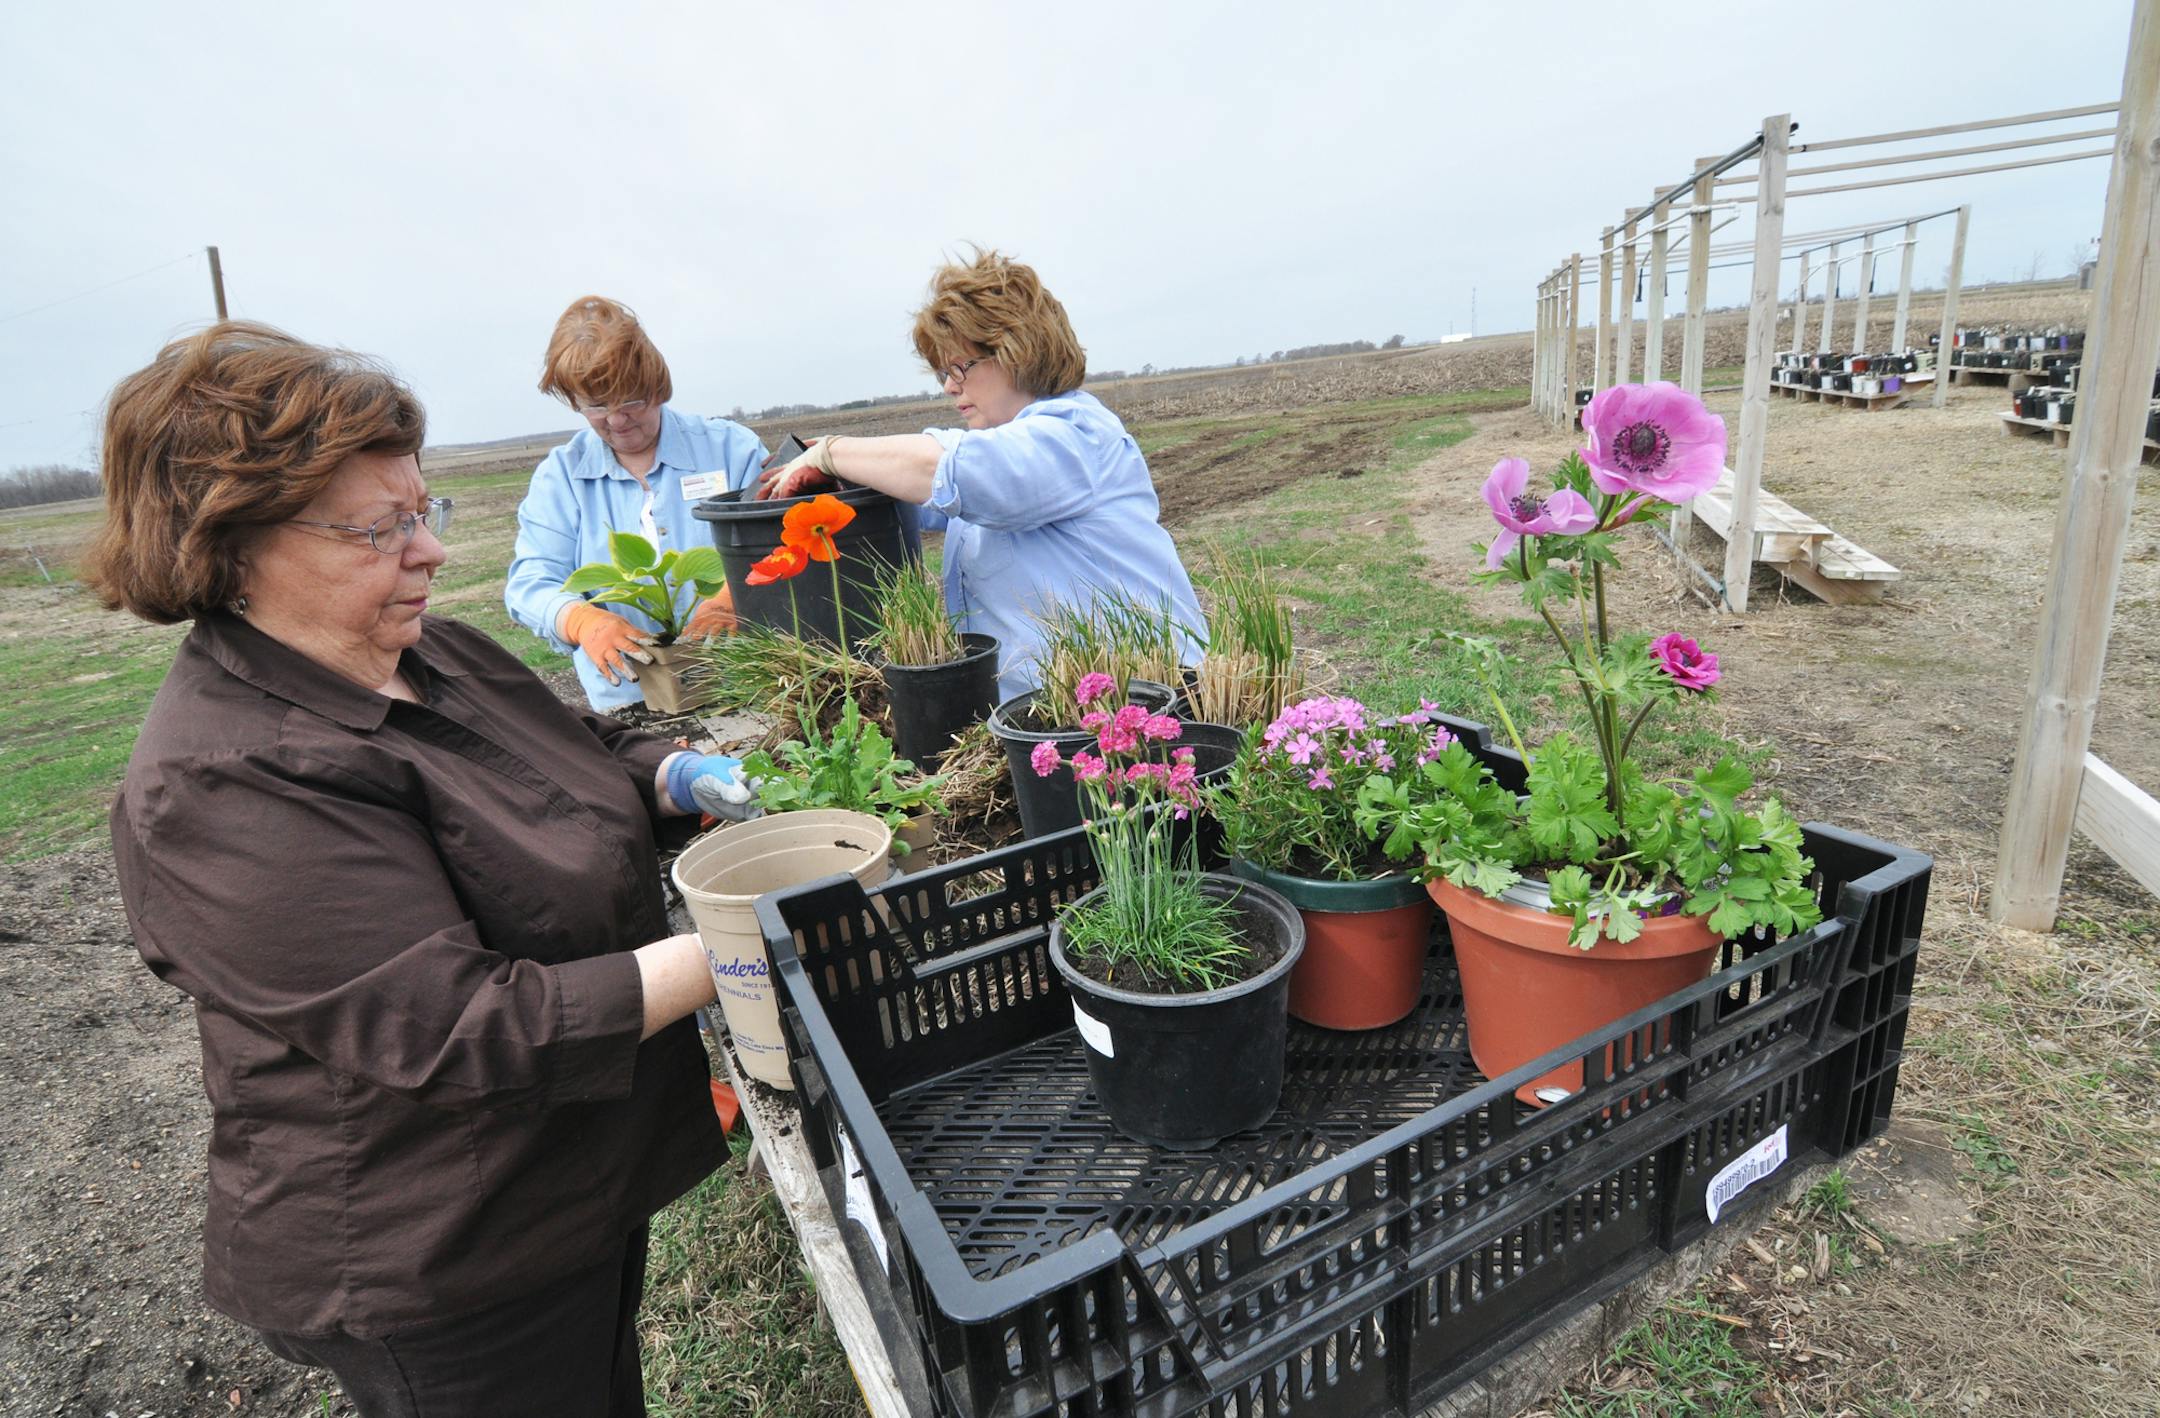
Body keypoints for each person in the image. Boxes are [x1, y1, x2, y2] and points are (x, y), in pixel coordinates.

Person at [89, 322, 755, 1417]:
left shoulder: (426, 652)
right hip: (443, 1257)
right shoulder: (223, 782)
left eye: (420, 511)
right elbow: (463, 1023)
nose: (430, 550)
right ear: (230, 546)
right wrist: (743, 937)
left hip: (560, 1189)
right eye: (376, 529)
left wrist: (681, 773)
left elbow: (572, 751)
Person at [757, 249, 1204, 700]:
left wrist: (832, 452)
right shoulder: (1005, 448)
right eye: (943, 372)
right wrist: (841, 479)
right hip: (1061, 713)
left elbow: (952, 470)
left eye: (960, 367)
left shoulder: (1074, 436)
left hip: (1145, 705)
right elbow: (927, 494)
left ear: (1016, 352)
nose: (951, 386)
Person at [507, 295, 767, 711]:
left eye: (631, 400)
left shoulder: (730, 450)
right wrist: (582, 621)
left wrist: (729, 601)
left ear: (657, 387)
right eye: (595, 406)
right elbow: (530, 583)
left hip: (744, 688)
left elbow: (776, 544)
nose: (616, 420)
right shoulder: (563, 477)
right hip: (626, 702)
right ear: (574, 401)